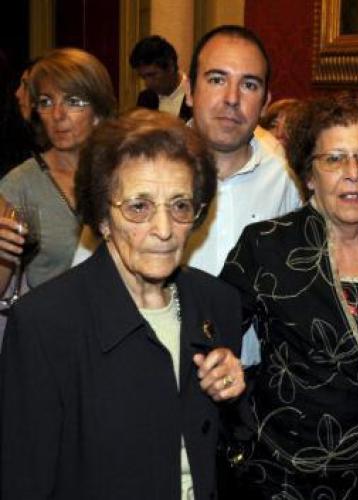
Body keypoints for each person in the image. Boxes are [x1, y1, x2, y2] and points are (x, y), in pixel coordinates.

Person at [0, 109, 245, 499]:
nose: (164, 230)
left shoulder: (217, 303)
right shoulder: (45, 324)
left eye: (180, 206)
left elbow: (225, 453)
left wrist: (234, 395)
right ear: (102, 217)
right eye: (139, 207)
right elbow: (23, 482)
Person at [220, 94, 358, 500]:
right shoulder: (267, 245)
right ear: (309, 175)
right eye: (334, 159)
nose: (352, 174)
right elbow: (212, 332)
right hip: (278, 475)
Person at [73, 25, 301, 369]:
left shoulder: (287, 177)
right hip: (145, 369)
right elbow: (85, 283)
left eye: (249, 84)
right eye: (217, 79)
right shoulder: (136, 164)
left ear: (265, 102)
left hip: (250, 379)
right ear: (190, 91)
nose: (232, 98)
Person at [0, 48, 116, 297]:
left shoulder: (123, 173)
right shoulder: (19, 185)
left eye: (73, 101)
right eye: (46, 102)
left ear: (98, 111)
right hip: (50, 317)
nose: (57, 115)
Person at [130, 35, 192, 120]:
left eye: (152, 75)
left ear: (170, 67)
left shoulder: (195, 94)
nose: (147, 83)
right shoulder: (145, 98)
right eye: (143, 77)